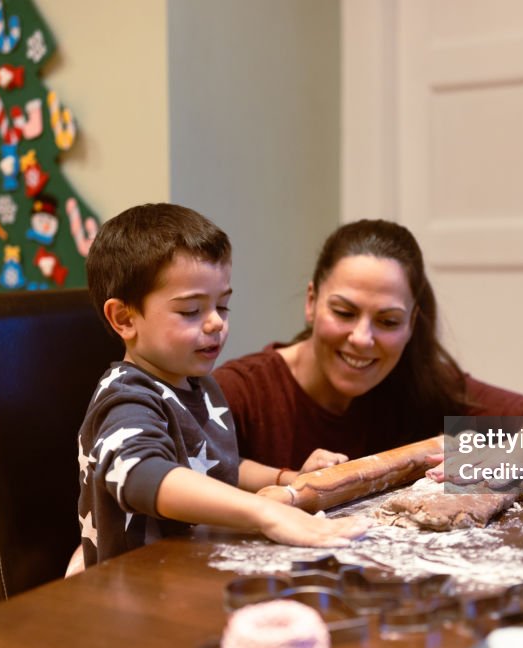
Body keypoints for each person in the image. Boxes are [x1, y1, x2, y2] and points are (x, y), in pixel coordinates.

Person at [77, 203, 369, 567]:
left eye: (223, 306)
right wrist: (263, 512)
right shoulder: (127, 397)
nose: (216, 323)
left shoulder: (197, 385)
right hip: (141, 589)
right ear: (124, 318)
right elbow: (140, 473)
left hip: (193, 575)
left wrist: (286, 478)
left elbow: (216, 464)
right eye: (191, 311)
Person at [213, 219, 523, 482]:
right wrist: (289, 480)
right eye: (344, 312)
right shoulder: (242, 391)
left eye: (388, 321)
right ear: (312, 301)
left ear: (412, 322)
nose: (361, 338)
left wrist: (518, 454)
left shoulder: (418, 384)